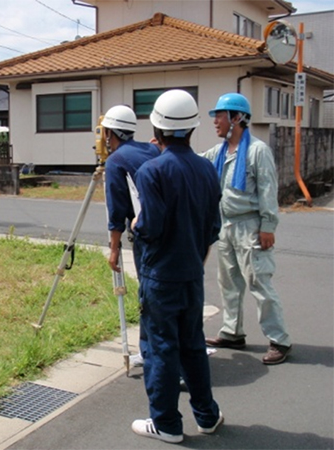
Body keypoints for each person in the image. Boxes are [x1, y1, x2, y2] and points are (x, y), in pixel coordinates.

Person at [131, 89, 223, 443]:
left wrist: (137, 226)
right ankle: (207, 415)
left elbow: (150, 228)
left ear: (157, 126)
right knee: (193, 345)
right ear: (192, 128)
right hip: (191, 273)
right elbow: (213, 227)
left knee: (161, 348)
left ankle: (167, 423)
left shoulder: (151, 170)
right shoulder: (206, 168)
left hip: (161, 275)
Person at [202, 92, 292, 365]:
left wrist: (268, 226)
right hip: (226, 226)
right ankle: (232, 331)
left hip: (250, 226)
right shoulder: (219, 152)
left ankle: (280, 340)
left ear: (237, 118)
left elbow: (268, 190)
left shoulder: (257, 151)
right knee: (228, 283)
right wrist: (165, 148)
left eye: (220, 115)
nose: (215, 121)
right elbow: (196, 162)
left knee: (259, 283)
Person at [102, 104, 160, 368]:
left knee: (149, 295)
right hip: (169, 228)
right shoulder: (150, 148)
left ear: (109, 133)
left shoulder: (116, 161)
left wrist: (114, 248)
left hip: (146, 234)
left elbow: (117, 210)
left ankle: (156, 356)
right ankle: (149, 351)